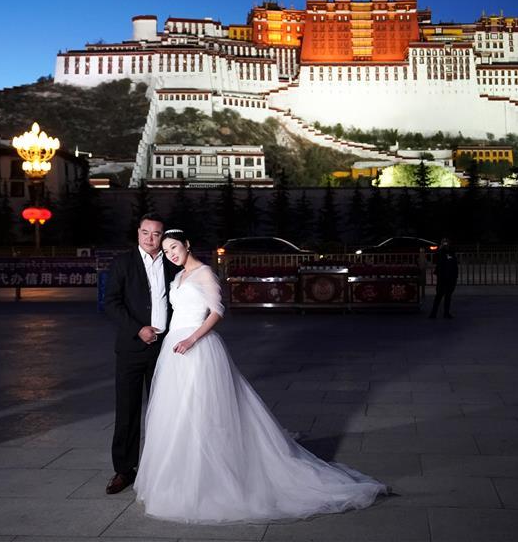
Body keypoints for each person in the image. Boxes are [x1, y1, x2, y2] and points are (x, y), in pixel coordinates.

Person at [134, 229, 387, 523]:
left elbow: (216, 312)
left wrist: (192, 339)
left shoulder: (204, 273)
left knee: (204, 410)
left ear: (187, 245)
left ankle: (212, 474)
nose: (171, 254)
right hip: (173, 348)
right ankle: (177, 476)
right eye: (166, 251)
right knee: (176, 412)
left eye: (175, 247)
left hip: (198, 346)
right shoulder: (178, 277)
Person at [103, 213, 178, 494]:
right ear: (138, 233)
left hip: (164, 349)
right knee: (127, 410)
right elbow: (111, 303)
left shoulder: (172, 263)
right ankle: (124, 470)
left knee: (164, 410)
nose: (150, 238)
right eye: (145, 232)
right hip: (131, 349)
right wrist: (138, 329)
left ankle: (163, 468)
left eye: (156, 234)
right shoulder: (123, 263)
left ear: (163, 237)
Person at [429, 237, 458, 319]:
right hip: (442, 278)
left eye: (447, 243)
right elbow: (437, 261)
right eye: (444, 243)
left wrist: (455, 276)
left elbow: (454, 265)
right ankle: (434, 313)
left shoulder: (451, 252)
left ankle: (445, 313)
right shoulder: (440, 252)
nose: (446, 244)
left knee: (447, 296)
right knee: (439, 296)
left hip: (450, 277)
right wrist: (441, 249)